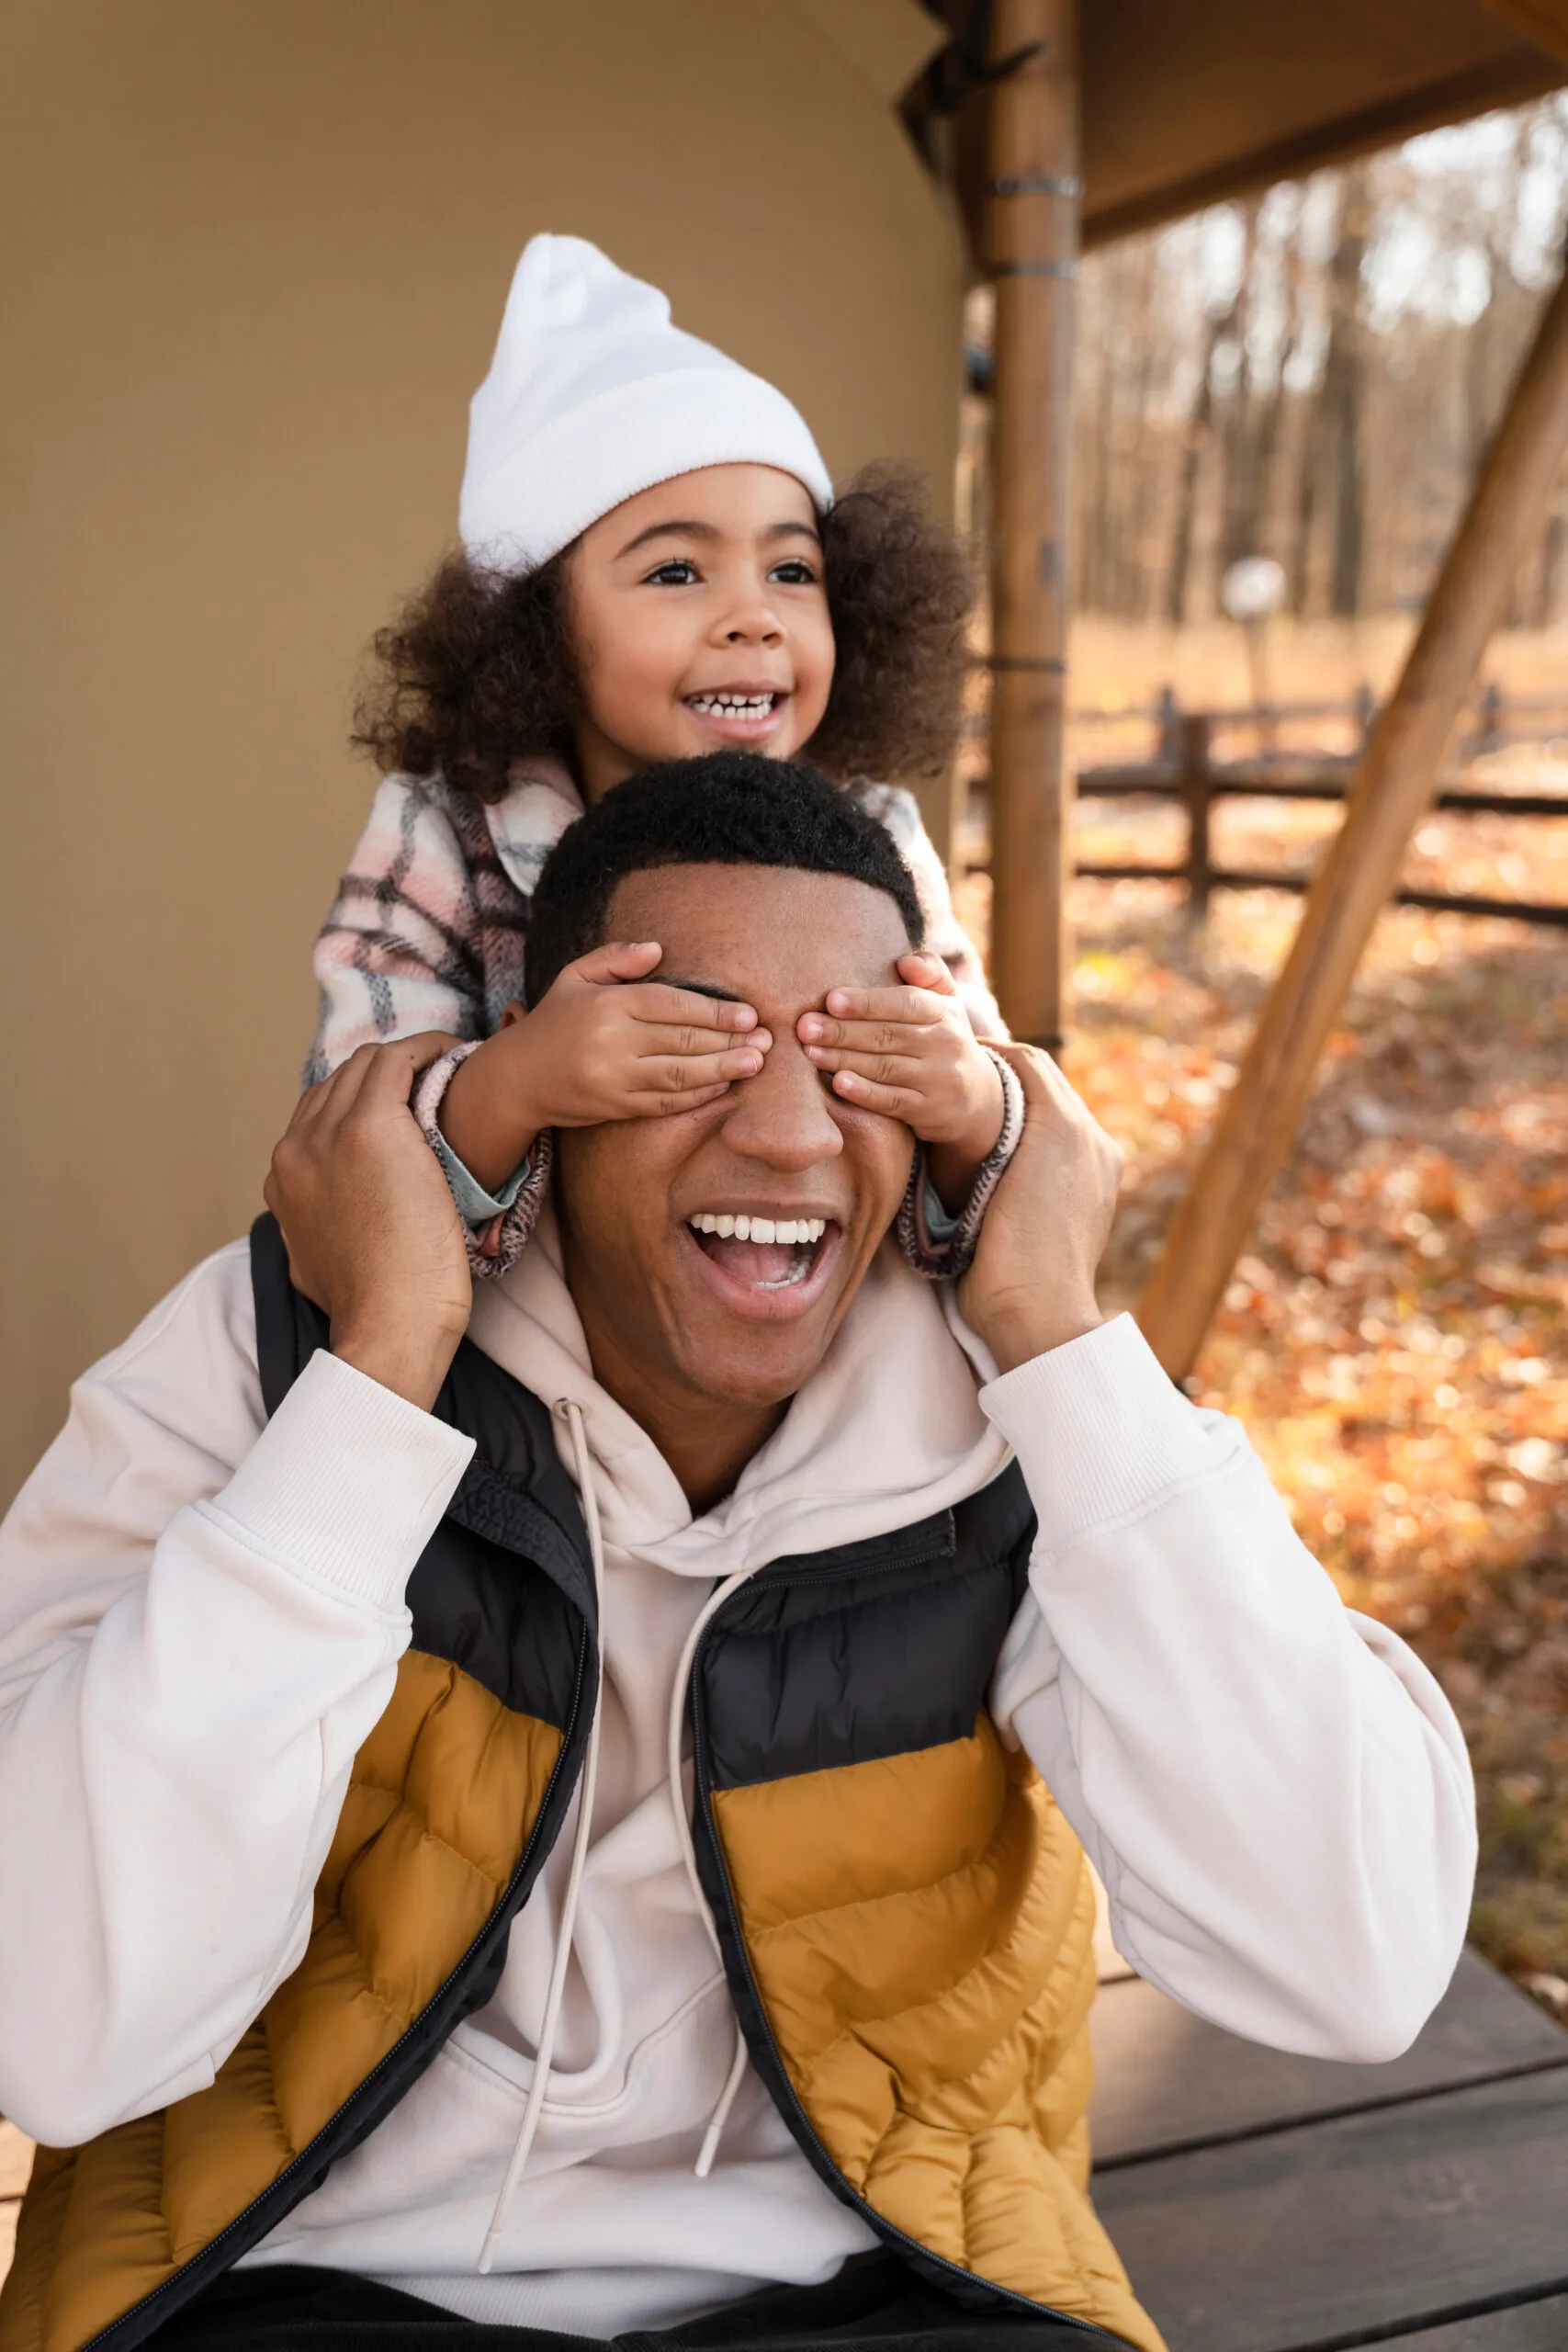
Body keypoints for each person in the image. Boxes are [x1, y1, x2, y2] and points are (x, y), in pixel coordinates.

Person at [0, 758, 1475, 2352]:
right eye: (689, 1045)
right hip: (313, 2270)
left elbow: (1353, 1963)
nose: (785, 1133)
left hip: (874, 2280)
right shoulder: (274, 1354)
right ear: (550, 1079)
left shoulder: (1020, 1424)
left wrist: (1060, 1334)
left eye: (856, 1056)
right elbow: (52, 2028)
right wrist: (375, 1385)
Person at [308, 233, 1014, 1288]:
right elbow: (341, 1141)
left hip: (809, 1322)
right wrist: (517, 1083)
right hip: (530, 1354)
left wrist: (972, 1102)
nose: (754, 618)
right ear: (539, 627)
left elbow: (1020, 1141)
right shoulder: (443, 830)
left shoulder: (873, 827)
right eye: (678, 570)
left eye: (791, 568)